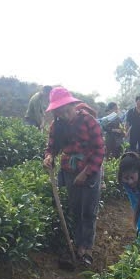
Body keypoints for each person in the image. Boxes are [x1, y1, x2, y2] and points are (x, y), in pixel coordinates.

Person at [43, 86, 106, 268]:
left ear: (72, 105)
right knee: (75, 210)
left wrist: (85, 173)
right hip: (70, 171)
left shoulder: (88, 121)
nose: (64, 114)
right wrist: (49, 157)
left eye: (67, 110)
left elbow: (99, 149)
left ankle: (87, 250)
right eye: (60, 112)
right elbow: (51, 147)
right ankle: (78, 246)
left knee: (88, 212)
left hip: (90, 170)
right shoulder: (57, 125)